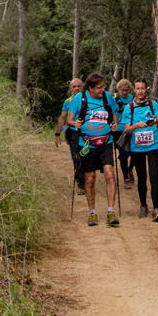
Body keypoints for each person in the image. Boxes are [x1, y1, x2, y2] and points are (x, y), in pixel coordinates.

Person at [62, 72, 121, 226]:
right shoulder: (79, 99)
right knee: (90, 179)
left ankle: (111, 211)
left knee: (110, 174)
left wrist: (114, 124)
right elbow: (69, 120)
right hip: (87, 144)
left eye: (103, 87)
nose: (102, 90)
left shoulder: (108, 98)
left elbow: (114, 115)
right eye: (99, 88)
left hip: (106, 142)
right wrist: (75, 124)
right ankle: (92, 212)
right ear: (90, 88)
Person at [123, 79, 158, 222]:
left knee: (154, 176)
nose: (140, 91)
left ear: (146, 89)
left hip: (153, 146)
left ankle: (156, 208)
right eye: (138, 88)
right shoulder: (129, 107)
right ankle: (143, 205)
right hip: (137, 147)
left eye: (142, 88)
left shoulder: (153, 105)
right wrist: (136, 126)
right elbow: (126, 130)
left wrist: (156, 122)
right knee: (141, 177)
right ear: (134, 90)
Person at [55, 78, 84, 189]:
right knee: (76, 157)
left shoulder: (89, 100)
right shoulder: (68, 101)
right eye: (74, 86)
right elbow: (62, 118)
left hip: (87, 132)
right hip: (73, 133)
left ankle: (86, 179)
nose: (77, 88)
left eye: (79, 86)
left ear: (82, 87)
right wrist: (57, 134)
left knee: (86, 157)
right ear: (71, 88)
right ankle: (81, 183)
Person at [112, 78, 136, 179]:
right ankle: (126, 177)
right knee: (124, 154)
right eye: (123, 90)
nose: (125, 92)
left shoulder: (133, 98)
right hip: (119, 131)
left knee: (134, 153)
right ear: (118, 89)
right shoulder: (114, 100)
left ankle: (130, 169)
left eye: (127, 90)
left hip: (131, 129)